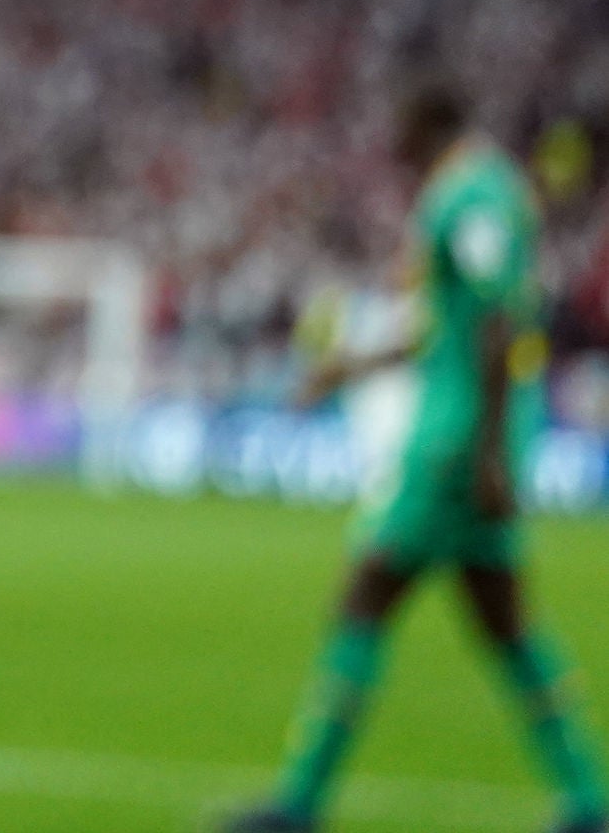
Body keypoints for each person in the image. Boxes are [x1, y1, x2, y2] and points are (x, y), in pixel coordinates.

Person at [223, 86, 606, 833]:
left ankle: (300, 801)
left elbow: (497, 324)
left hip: (456, 444)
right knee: (507, 624)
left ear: (423, 126)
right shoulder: (487, 192)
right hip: (475, 436)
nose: (394, 151)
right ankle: (588, 798)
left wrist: (490, 454)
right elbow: (450, 324)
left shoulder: (470, 197)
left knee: (366, 595)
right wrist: (351, 366)